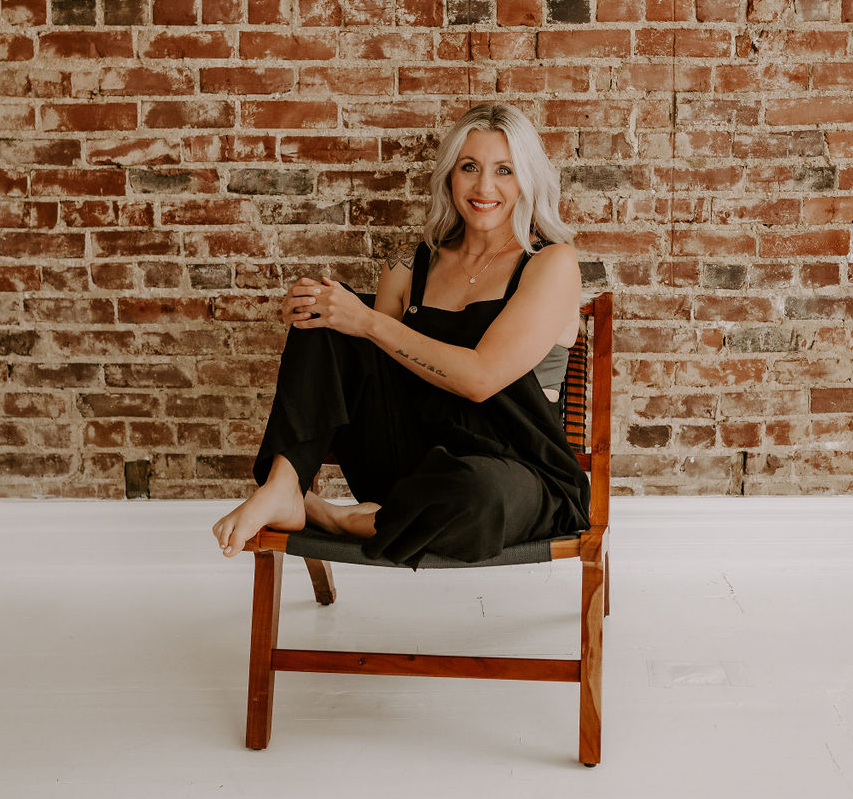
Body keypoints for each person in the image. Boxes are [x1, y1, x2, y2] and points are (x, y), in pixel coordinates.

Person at [212, 102, 590, 568]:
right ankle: (284, 486)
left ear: (527, 180)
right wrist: (320, 306)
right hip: (411, 461)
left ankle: (338, 518)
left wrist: (367, 320)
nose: (484, 187)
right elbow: (368, 368)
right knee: (326, 311)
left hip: (514, 469)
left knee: (478, 496)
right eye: (469, 167)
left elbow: (480, 379)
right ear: (449, 175)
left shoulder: (551, 263)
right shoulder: (408, 263)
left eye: (504, 170)